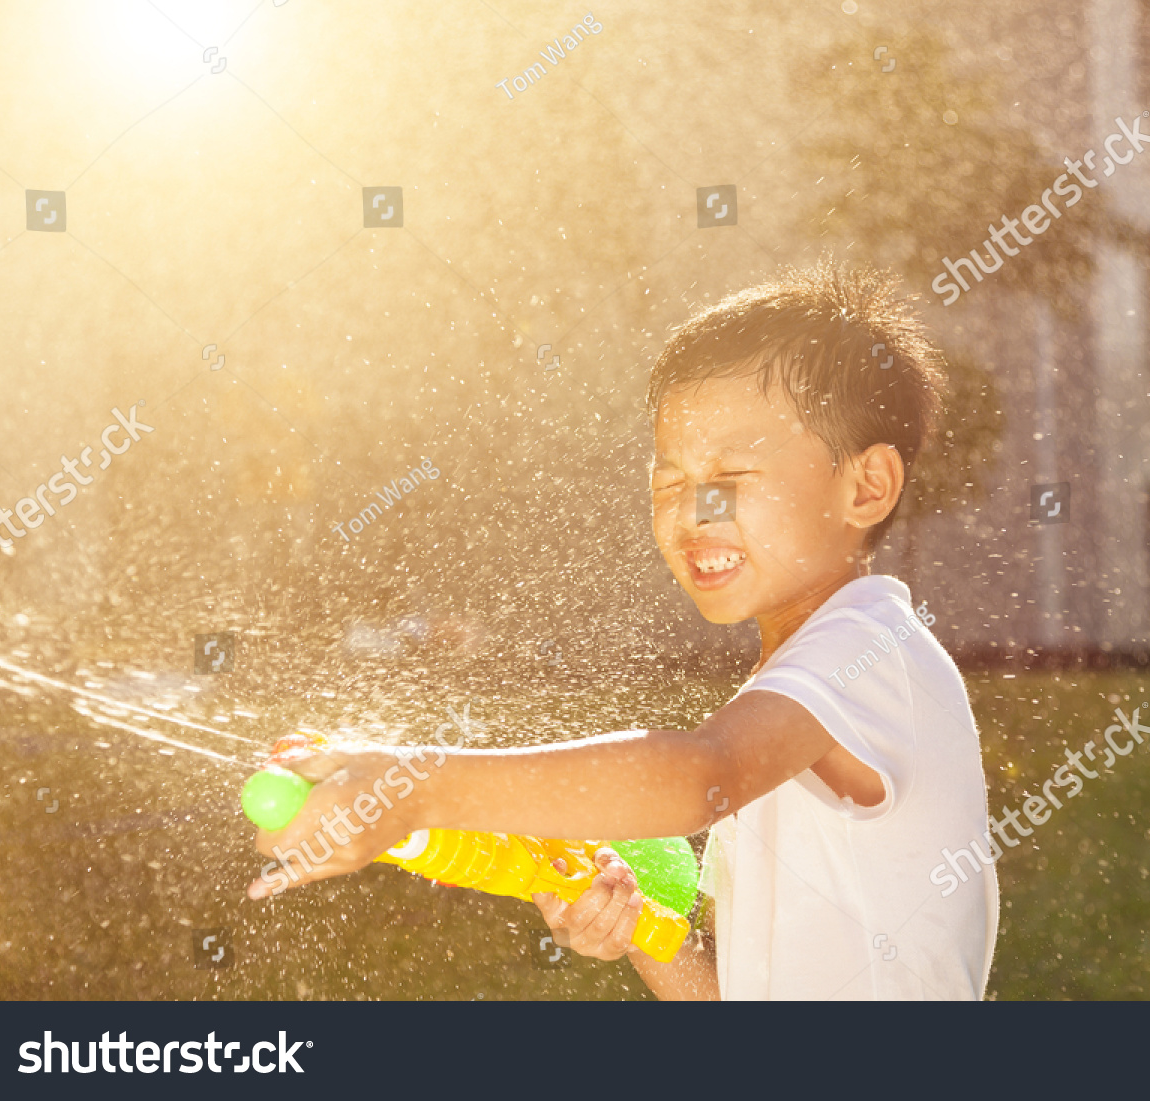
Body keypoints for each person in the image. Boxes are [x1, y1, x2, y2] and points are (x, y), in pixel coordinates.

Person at [248, 259, 998, 1000]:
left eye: (732, 477)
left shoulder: (871, 651)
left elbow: (699, 775)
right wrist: (646, 929)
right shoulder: (791, 699)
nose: (691, 511)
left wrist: (412, 792)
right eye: (669, 482)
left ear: (866, 486)